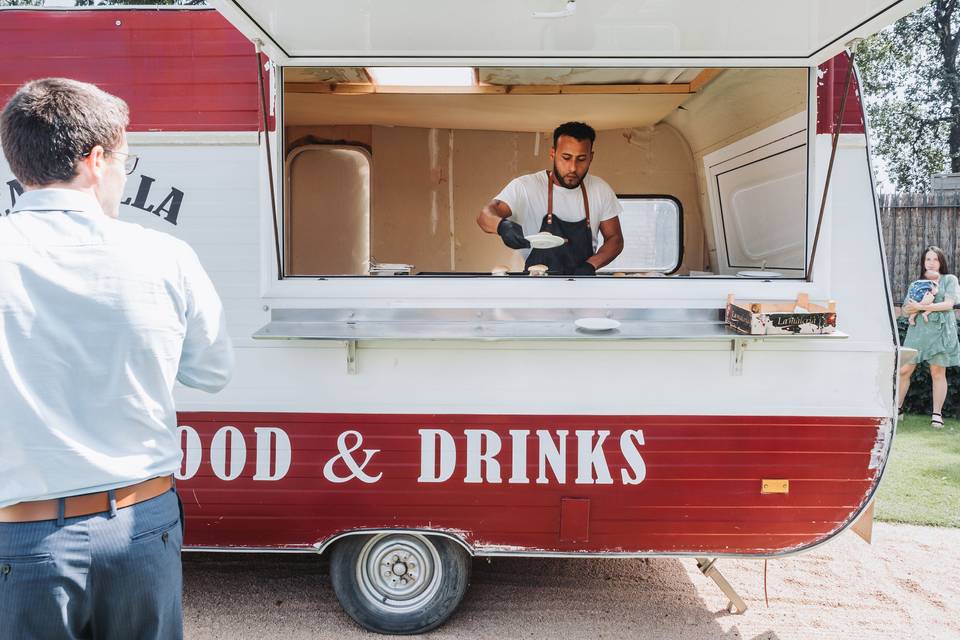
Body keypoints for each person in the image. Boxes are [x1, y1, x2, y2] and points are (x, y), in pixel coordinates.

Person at [0, 78, 233, 638]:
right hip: (137, 522)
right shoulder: (166, 256)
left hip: (20, 535)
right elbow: (212, 372)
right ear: (96, 160)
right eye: (124, 159)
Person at [476, 121, 624, 276]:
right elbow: (484, 216)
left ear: (591, 157)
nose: (573, 167)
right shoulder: (525, 187)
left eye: (581, 159)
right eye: (566, 157)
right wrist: (502, 226)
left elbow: (615, 239)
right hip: (537, 288)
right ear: (553, 153)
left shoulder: (600, 190)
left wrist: (591, 265)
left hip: (583, 285)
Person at [898, 246, 960, 429]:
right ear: (923, 263)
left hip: (941, 331)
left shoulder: (949, 280)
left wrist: (922, 306)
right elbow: (905, 309)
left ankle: (937, 414)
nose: (931, 263)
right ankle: (898, 409)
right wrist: (918, 306)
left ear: (941, 261)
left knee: (937, 372)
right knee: (904, 371)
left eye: (935, 259)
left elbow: (949, 304)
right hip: (918, 330)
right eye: (927, 259)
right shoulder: (916, 284)